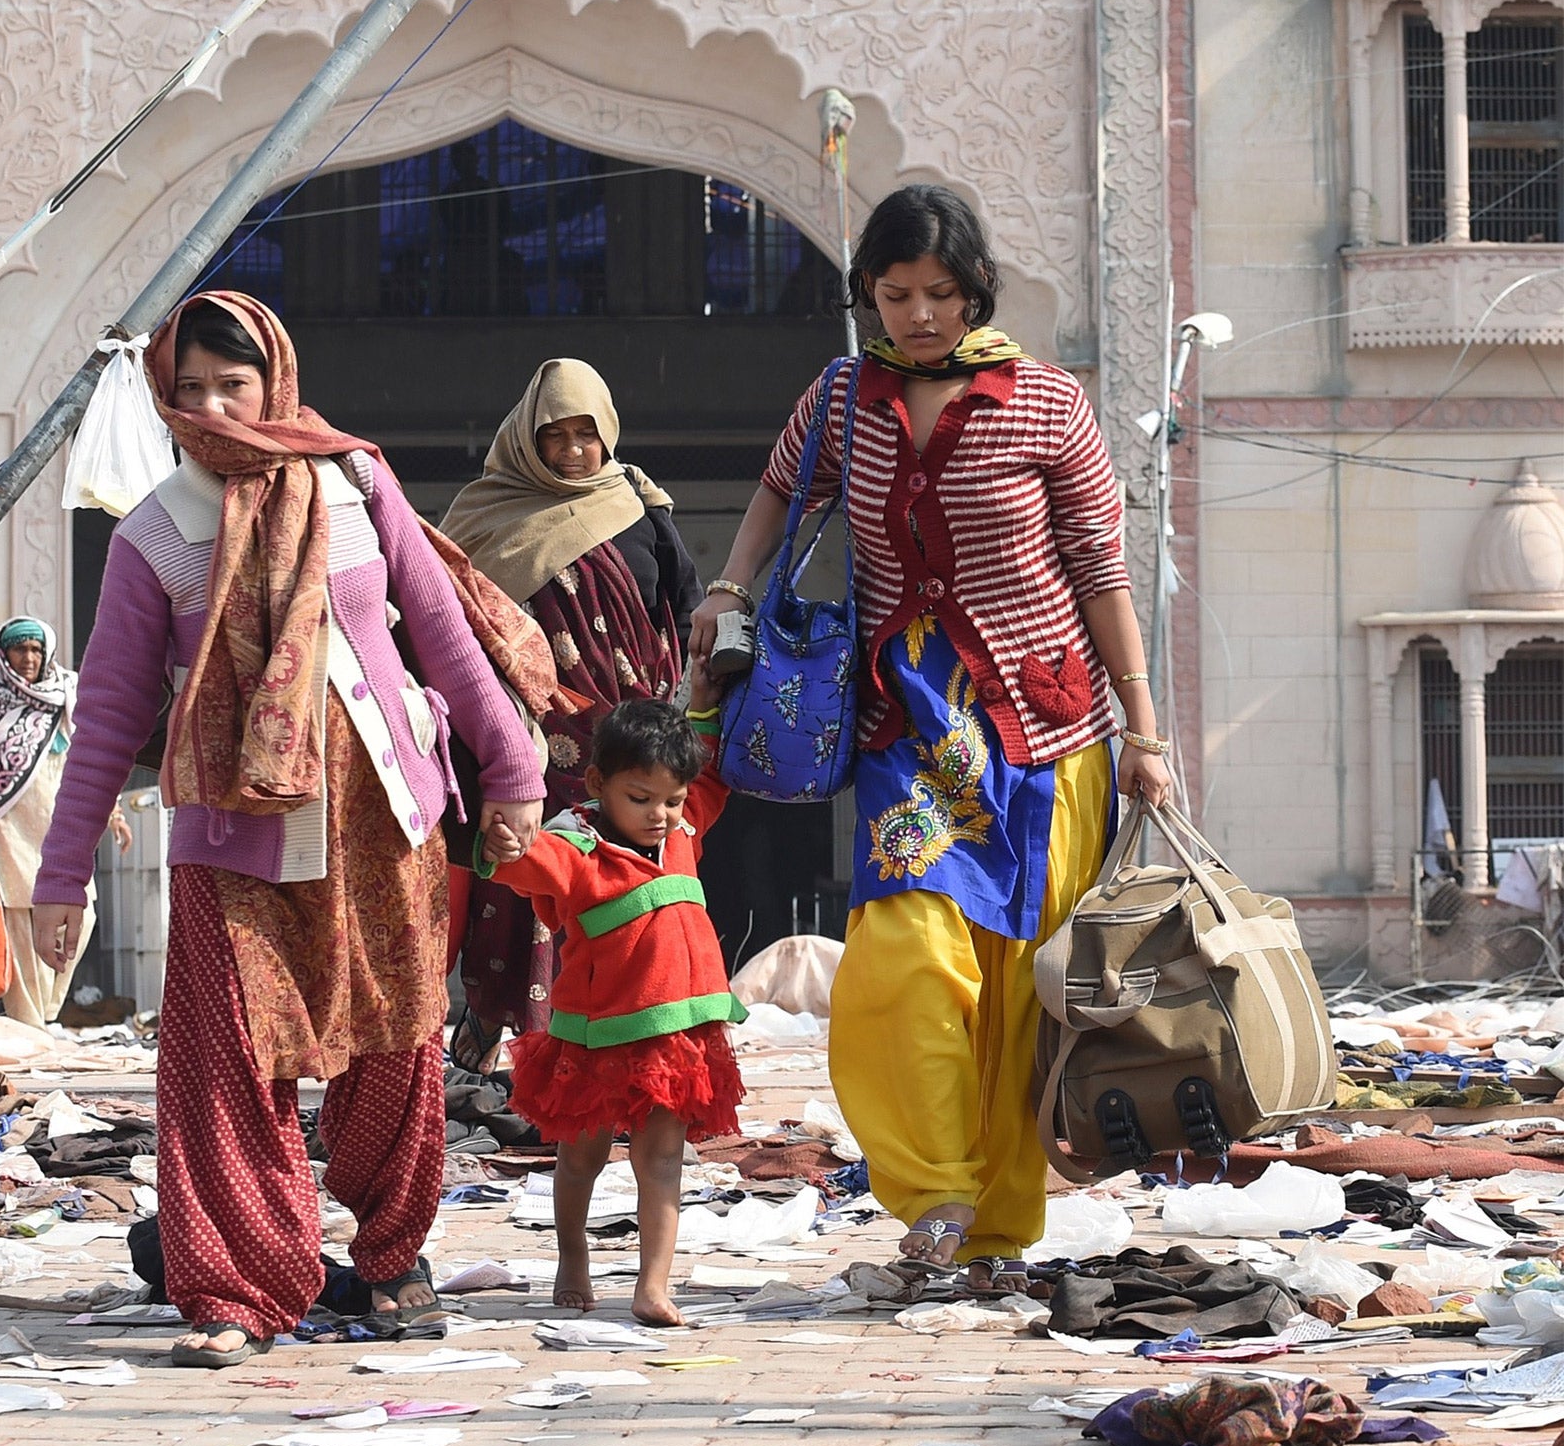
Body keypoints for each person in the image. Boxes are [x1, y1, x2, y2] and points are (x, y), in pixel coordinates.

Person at [30, 290, 546, 1367]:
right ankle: (233, 1292)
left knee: (393, 1043)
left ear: (277, 381)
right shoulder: (156, 533)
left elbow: (445, 639)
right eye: (190, 391)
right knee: (224, 1061)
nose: (215, 408)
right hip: (234, 836)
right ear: (163, 401)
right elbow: (112, 717)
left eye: (235, 384)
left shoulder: (353, 485)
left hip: (382, 818)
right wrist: (60, 875)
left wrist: (508, 766)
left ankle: (393, 1262)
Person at [691, 184, 1173, 1293]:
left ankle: (994, 1232)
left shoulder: (1047, 401)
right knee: (905, 961)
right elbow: (775, 495)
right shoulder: (840, 395)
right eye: (894, 294)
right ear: (867, 293)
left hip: (1042, 731)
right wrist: (727, 586)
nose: (916, 315)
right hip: (901, 725)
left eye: (938, 294)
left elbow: (1101, 574)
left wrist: (1143, 730)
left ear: (975, 291)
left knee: (1014, 989)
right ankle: (933, 1190)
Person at [441, 358, 702, 1064]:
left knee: (638, 868)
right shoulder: (485, 512)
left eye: (587, 434)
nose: (572, 450)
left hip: (635, 732)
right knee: (531, 865)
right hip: (535, 730)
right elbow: (448, 621)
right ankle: (507, 1023)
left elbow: (681, 606)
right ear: (528, 438)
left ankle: (642, 1024)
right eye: (555, 435)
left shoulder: (638, 504)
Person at [476, 693, 745, 1326]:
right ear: (598, 784)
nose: (660, 815)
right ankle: (574, 1257)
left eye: (671, 801)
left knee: (664, 1159)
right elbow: (524, 860)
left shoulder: (683, 830)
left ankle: (652, 1287)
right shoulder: (576, 850)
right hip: (595, 1041)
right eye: (640, 798)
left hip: (677, 1038)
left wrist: (704, 689)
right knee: (581, 1158)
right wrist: (504, 839)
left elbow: (709, 772)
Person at [0, 616, 132, 1027]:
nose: (29, 658)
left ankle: (46, 1012)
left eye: (36, 649)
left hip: (61, 828)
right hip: (6, 832)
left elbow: (96, 759)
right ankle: (31, 1021)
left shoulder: (70, 696)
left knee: (80, 913)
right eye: (20, 649)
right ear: (4, 654)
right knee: (19, 920)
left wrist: (114, 812)